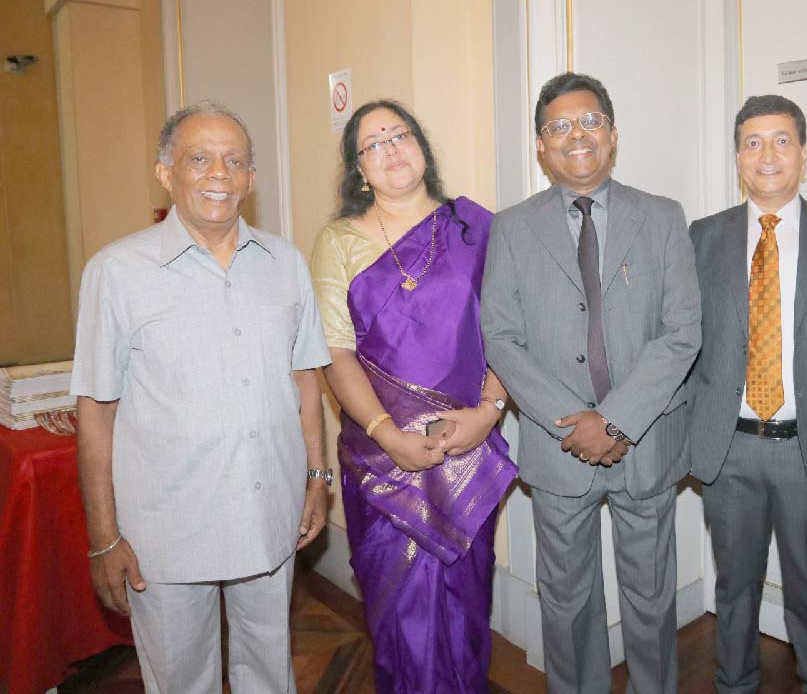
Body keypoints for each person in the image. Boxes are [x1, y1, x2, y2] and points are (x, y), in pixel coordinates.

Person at [71, 102, 332, 693]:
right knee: (181, 678)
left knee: (269, 667)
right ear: (166, 172)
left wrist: (317, 475)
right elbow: (96, 413)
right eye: (200, 158)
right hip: (167, 529)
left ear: (250, 178)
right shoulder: (115, 272)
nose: (219, 173)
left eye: (234, 160)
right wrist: (104, 538)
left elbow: (304, 379)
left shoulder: (284, 263)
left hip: (271, 510)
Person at [481, 72, 702, 693]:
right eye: (558, 127)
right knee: (566, 602)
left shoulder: (661, 216)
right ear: (540, 145)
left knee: (652, 599)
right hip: (559, 449)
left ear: (612, 135)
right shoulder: (512, 227)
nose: (575, 136)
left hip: (647, 440)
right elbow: (500, 337)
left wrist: (616, 420)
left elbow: (683, 331)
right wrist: (575, 422)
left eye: (589, 122)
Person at [310, 99, 517, 692]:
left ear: (421, 146)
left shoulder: (476, 229)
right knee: (400, 617)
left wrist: (488, 410)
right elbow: (336, 351)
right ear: (358, 170)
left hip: (469, 447)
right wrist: (386, 433)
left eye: (399, 134)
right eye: (372, 144)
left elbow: (508, 331)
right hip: (380, 454)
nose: (390, 149)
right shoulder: (339, 241)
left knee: (466, 606)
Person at [688, 94, 807, 694]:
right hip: (727, 448)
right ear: (738, 156)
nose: (768, 154)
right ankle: (733, 684)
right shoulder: (703, 237)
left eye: (782, 140)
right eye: (753, 142)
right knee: (733, 590)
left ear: (804, 153)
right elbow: (682, 344)